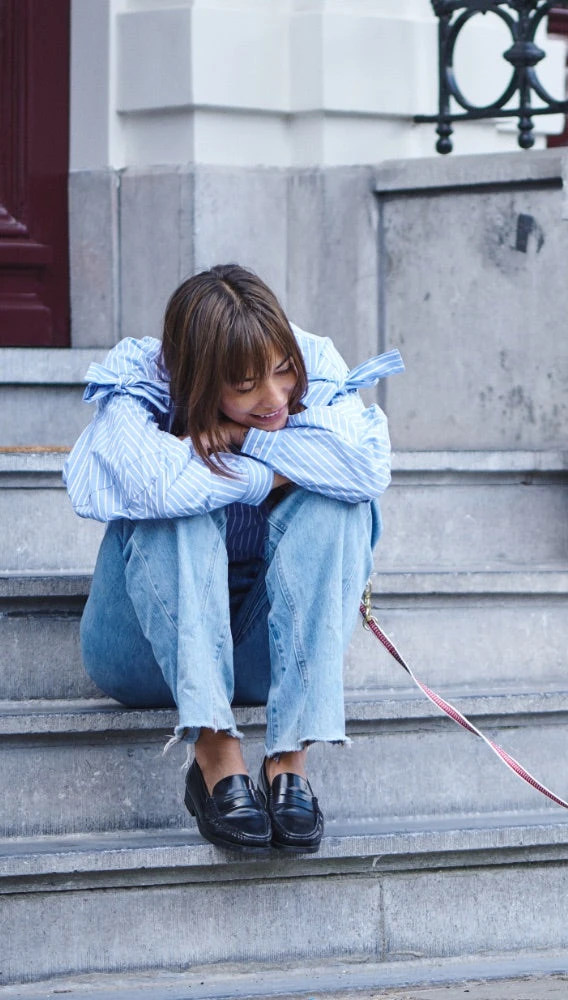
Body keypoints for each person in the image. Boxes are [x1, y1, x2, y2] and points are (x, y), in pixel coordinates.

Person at [63, 264, 403, 853]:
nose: (275, 398)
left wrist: (245, 442)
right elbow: (149, 485)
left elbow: (367, 468)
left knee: (341, 505)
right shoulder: (140, 378)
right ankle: (216, 750)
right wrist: (276, 470)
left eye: (281, 372)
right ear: (195, 381)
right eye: (245, 387)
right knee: (178, 508)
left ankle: (290, 757)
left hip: (262, 651)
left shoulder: (316, 362)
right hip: (140, 652)